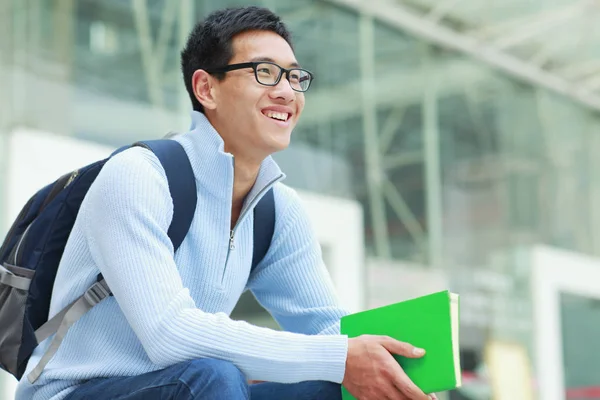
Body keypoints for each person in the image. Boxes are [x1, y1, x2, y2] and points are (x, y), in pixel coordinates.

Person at [16, 6, 436, 400]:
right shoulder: (139, 176)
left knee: (344, 389)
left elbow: (327, 329)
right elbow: (169, 333)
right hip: (75, 391)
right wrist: (339, 357)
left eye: (294, 77)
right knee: (213, 377)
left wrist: (396, 372)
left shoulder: (278, 211)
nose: (287, 92)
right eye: (266, 73)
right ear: (206, 88)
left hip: (187, 386)